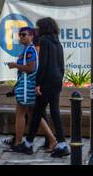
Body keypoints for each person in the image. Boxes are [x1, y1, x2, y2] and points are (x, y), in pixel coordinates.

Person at [10, 17, 69, 158]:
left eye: (39, 27)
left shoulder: (45, 42)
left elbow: (43, 65)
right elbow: (61, 66)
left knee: (39, 113)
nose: (38, 30)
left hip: (46, 82)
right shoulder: (57, 43)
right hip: (56, 81)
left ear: (44, 27)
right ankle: (36, 143)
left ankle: (57, 144)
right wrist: (58, 79)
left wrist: (38, 83)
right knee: (45, 112)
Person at [4, 25, 56, 151]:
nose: (21, 36)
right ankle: (52, 140)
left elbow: (30, 68)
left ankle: (17, 143)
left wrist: (15, 65)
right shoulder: (28, 49)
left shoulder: (30, 50)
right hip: (27, 86)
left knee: (20, 114)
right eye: (20, 34)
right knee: (34, 115)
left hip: (27, 88)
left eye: (24, 34)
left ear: (32, 36)